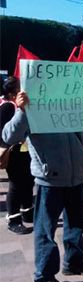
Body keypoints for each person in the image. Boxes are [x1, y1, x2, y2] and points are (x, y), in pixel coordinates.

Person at [3, 90, 83, 282]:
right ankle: (44, 276)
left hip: (76, 175)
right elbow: (8, 137)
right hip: (50, 179)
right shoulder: (32, 108)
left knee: (76, 223)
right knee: (45, 229)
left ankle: (73, 262)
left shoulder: (71, 105)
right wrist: (21, 111)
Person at [0, 77, 33, 235]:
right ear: (13, 93)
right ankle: (13, 219)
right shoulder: (7, 107)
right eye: (21, 88)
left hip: (25, 152)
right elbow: (3, 134)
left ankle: (27, 212)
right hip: (14, 154)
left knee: (28, 183)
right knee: (16, 186)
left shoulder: (24, 105)